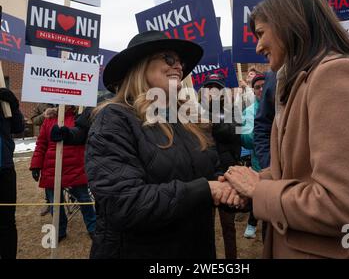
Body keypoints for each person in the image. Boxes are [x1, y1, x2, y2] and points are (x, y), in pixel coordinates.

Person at [224, 0, 349, 259]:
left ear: (290, 23)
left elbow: (343, 207)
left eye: (261, 33)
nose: (258, 46)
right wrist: (252, 180)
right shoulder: (300, 81)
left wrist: (259, 189)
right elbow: (299, 172)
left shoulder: (336, 76)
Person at [85, 31, 240, 259]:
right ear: (141, 65)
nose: (178, 66)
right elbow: (124, 203)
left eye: (181, 62)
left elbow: (212, 170)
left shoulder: (189, 119)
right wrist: (206, 189)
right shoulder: (114, 119)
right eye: (168, 58)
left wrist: (231, 188)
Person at [29, 105, 96, 242]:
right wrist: (35, 165)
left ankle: (93, 228)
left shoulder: (81, 118)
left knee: (84, 200)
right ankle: (59, 230)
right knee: (55, 203)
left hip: (76, 168)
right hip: (52, 168)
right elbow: (41, 143)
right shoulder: (49, 119)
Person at [199, 73, 241, 259]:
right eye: (209, 87)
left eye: (216, 87)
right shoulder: (194, 110)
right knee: (202, 225)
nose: (212, 91)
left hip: (226, 173)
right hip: (202, 174)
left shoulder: (233, 110)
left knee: (228, 225)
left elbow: (235, 133)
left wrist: (213, 121)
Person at [0, 88, 25, 259]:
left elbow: (18, 127)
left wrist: (14, 106)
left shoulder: (3, 102)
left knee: (7, 221)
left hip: (4, 168)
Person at [241, 73, 265, 239]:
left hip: (284, 166)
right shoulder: (249, 112)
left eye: (264, 85)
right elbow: (246, 141)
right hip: (259, 165)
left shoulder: (283, 105)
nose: (261, 89)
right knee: (257, 197)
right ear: (253, 90)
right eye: (257, 87)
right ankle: (251, 223)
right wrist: (260, 129)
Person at [31, 103, 55, 217]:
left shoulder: (69, 101)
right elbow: (34, 120)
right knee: (48, 175)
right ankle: (49, 202)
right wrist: (44, 115)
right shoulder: (41, 104)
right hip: (47, 142)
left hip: (66, 142)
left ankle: (72, 198)